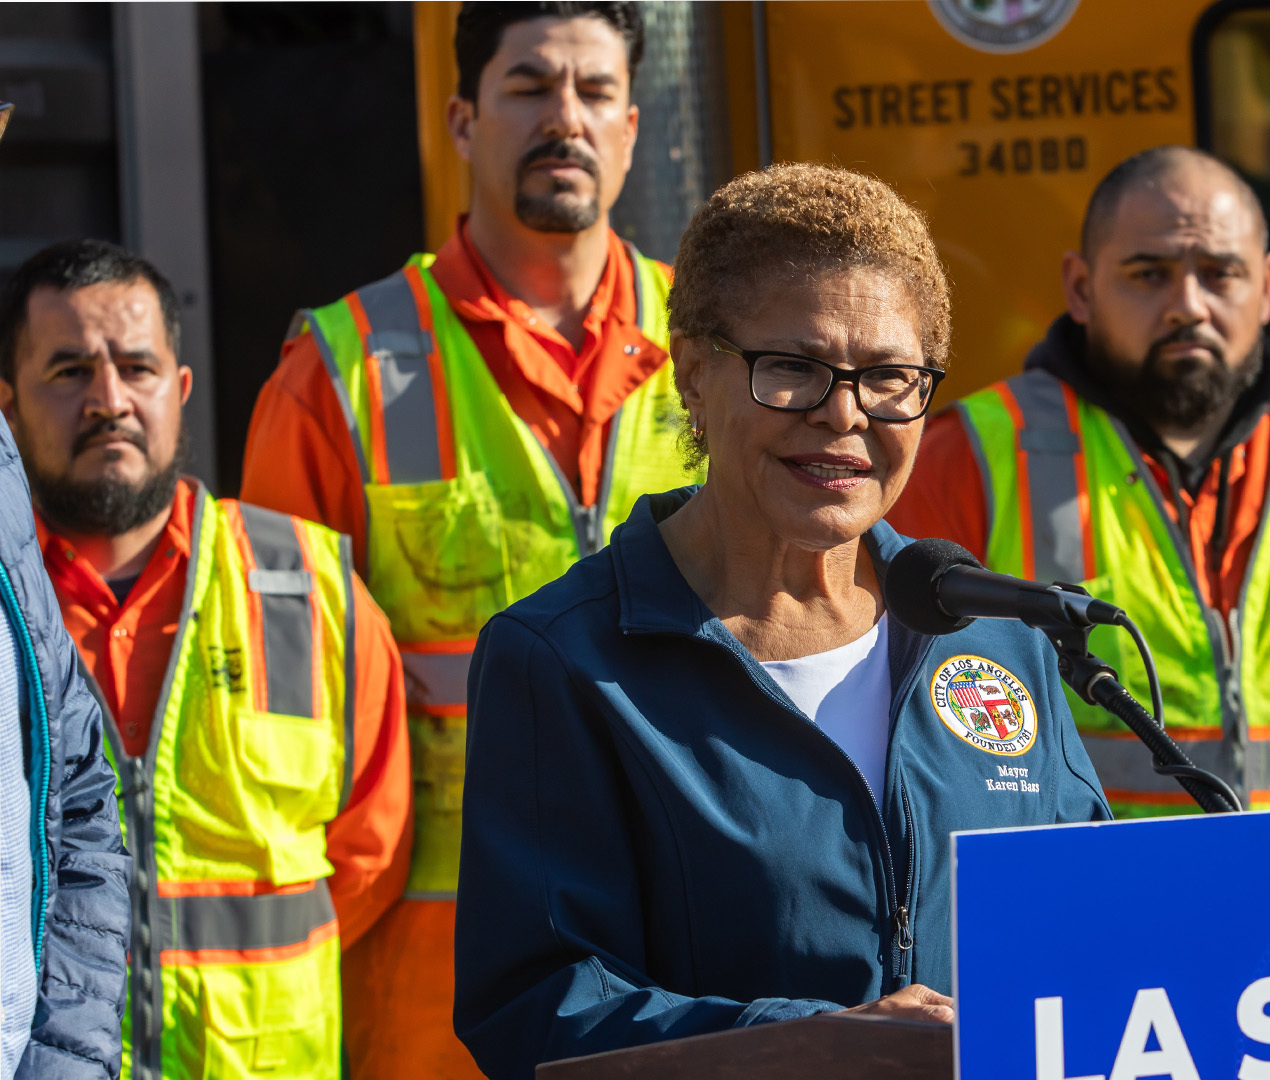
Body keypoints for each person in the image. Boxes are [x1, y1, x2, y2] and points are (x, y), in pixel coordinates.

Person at [452, 162, 1110, 1077]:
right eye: (793, 369)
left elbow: (1092, 932)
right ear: (692, 371)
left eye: (889, 377)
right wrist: (830, 1044)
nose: (844, 416)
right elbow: (535, 1007)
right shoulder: (564, 659)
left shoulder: (997, 636)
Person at [239, 4, 700, 1075]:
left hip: (683, 964)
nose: (565, 119)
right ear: (460, 119)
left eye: (593, 92)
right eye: (529, 87)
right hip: (434, 987)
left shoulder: (715, 356)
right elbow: (281, 721)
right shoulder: (340, 375)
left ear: (632, 127)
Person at [0, 240, 412, 1080]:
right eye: (70, 370)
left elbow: (370, 862)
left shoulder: (308, 588)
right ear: (7, 410)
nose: (109, 400)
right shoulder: (8, 617)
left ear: (180, 392)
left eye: (137, 367)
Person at [890, 146, 1270, 816]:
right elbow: (904, 723)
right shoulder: (970, 455)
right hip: (1093, 904)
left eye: (1221, 274)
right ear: (1080, 288)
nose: (1187, 306)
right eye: (1149, 274)